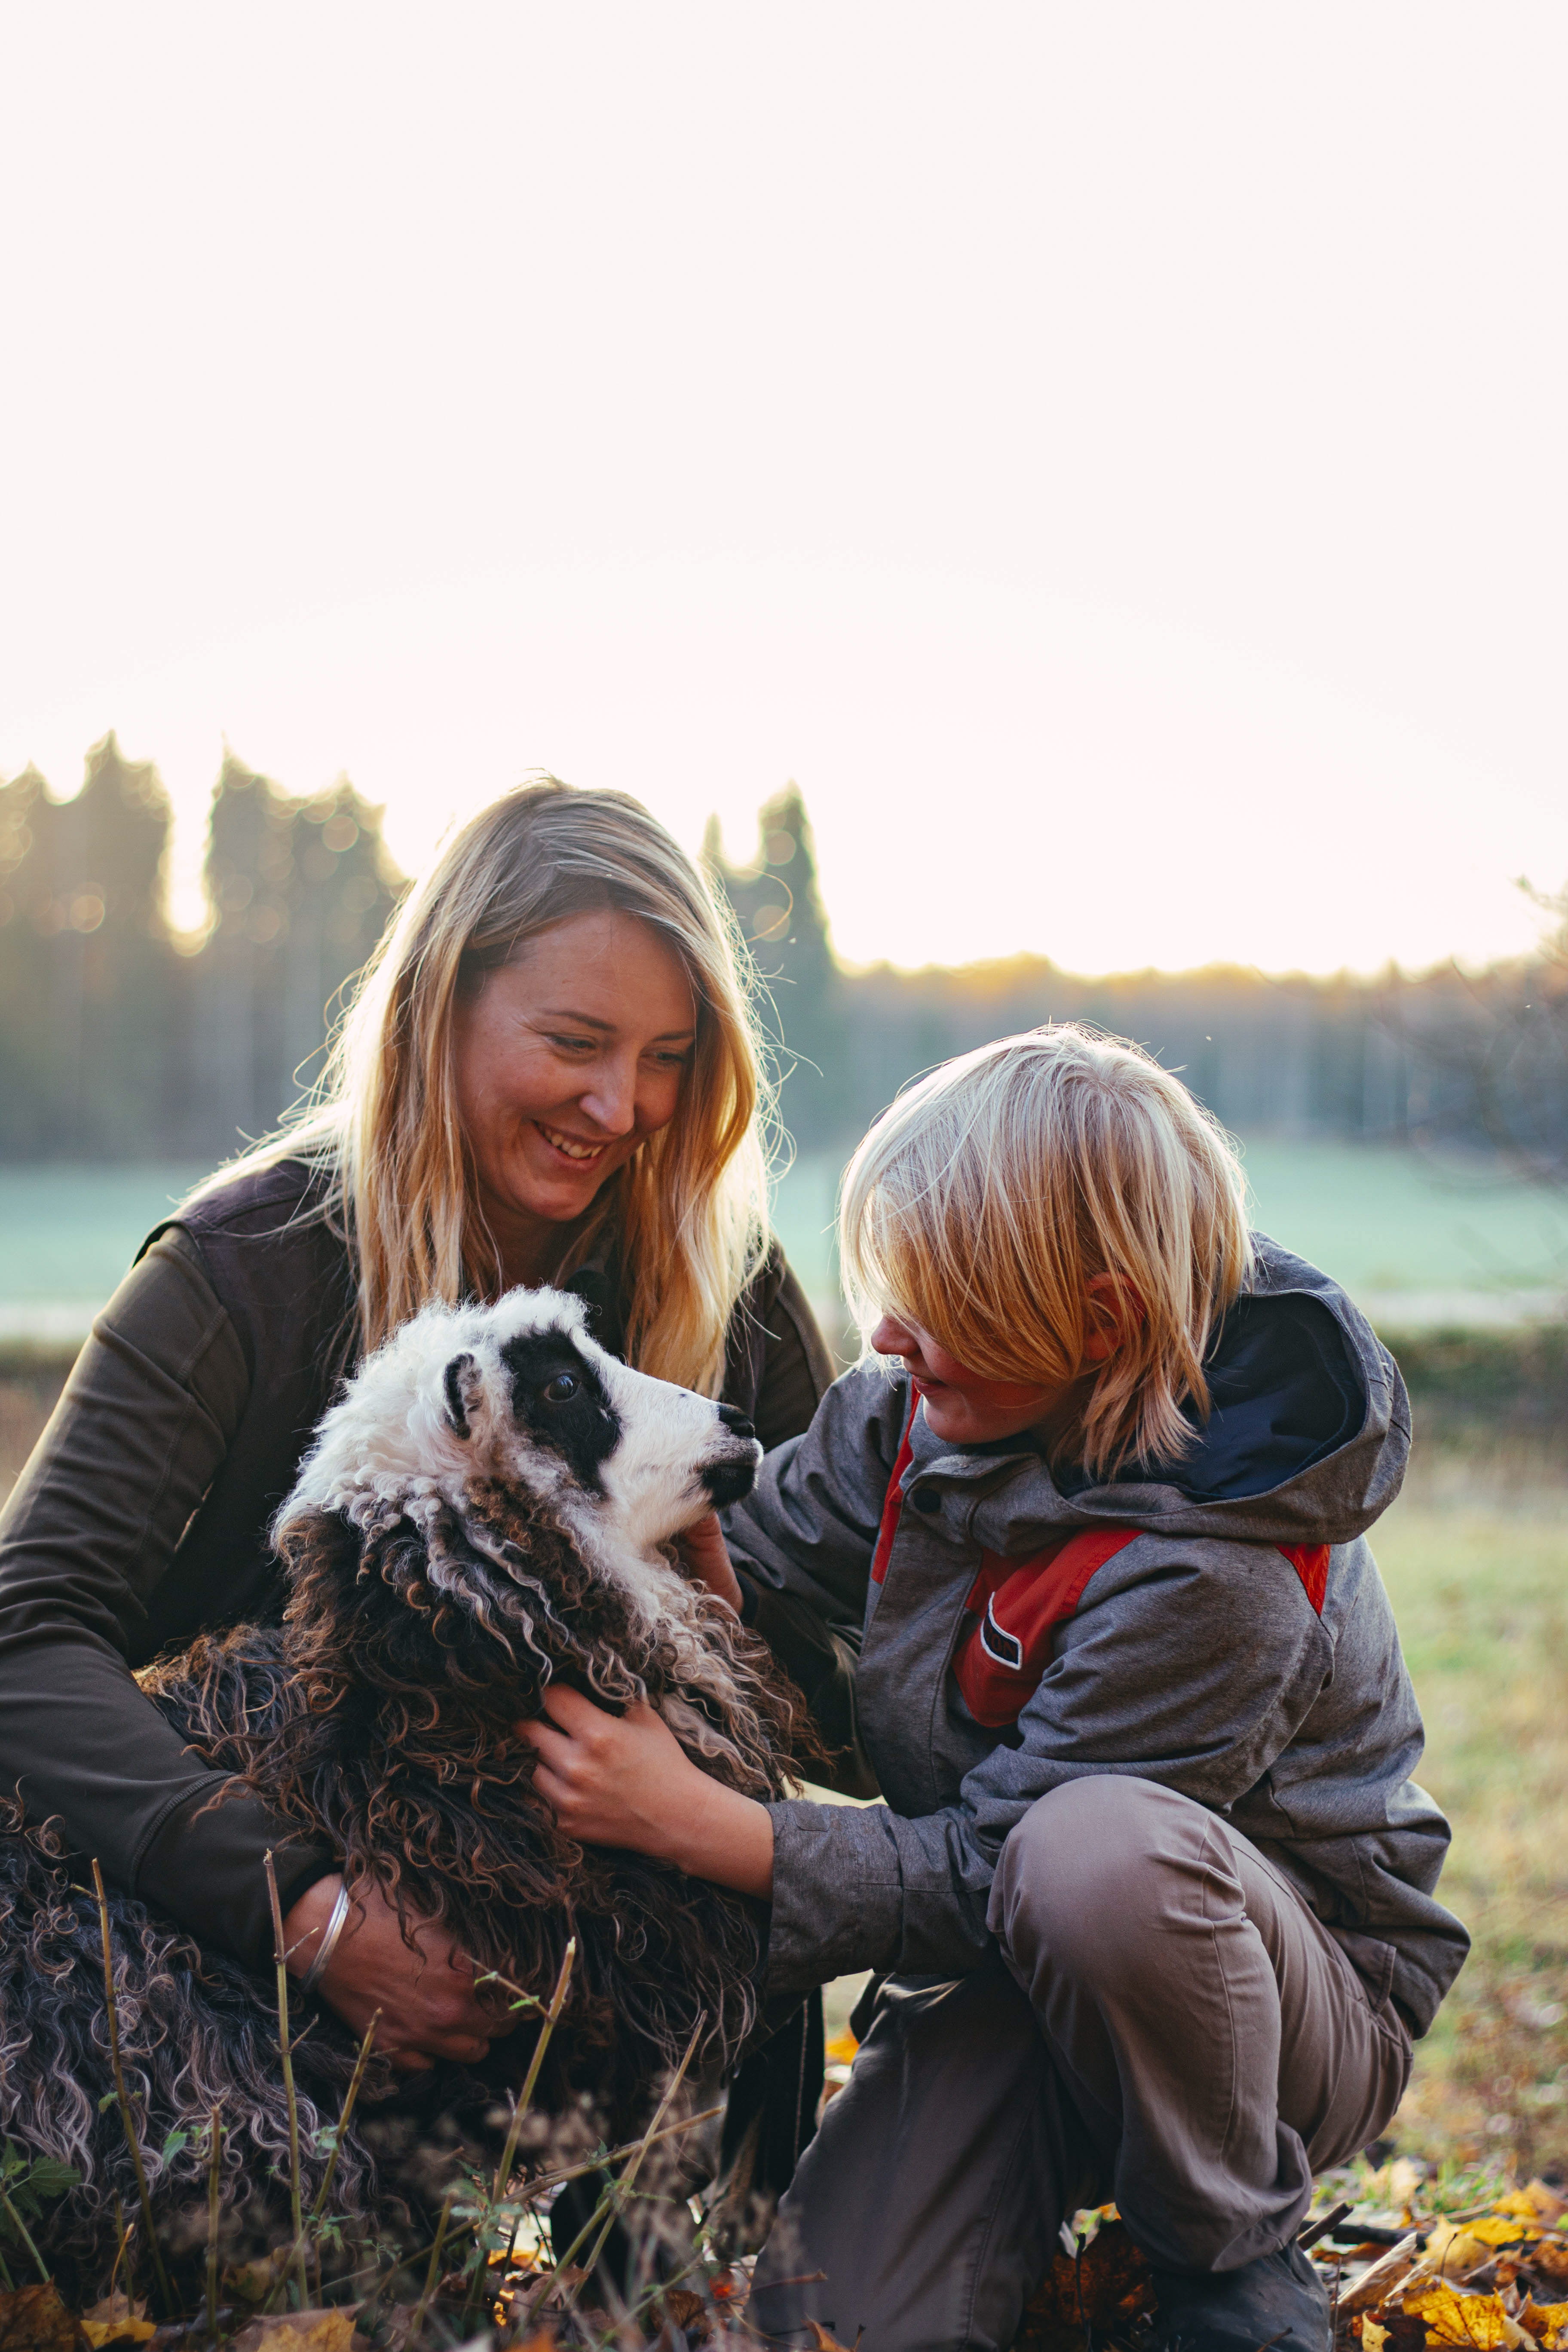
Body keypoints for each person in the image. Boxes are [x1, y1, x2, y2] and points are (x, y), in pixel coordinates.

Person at [520, 1023, 1470, 2352]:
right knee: (829, 2323)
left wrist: (700, 1826)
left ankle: (1227, 2259)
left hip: (1270, 2011)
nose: (892, 1332)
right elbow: (765, 1579)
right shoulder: (914, 1407)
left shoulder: (1223, 1569)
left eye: (943, 1297)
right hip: (1016, 1972)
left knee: (1096, 1854)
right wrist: (671, 1580)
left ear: (1098, 1320)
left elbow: (998, 1868)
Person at [0, 780, 834, 2173]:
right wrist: (302, 1910)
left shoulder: (720, 1285)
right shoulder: (242, 1271)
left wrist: (734, 1665)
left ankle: (680, 2284)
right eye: (573, 1041)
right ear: (439, 1007)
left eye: (669, 1055)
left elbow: (846, 1670)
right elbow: (27, 1631)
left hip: (609, 1920)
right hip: (215, 1966)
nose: (620, 1105)